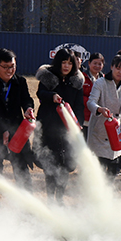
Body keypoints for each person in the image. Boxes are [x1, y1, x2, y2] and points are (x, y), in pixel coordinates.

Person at [0, 48, 36, 200]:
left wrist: (29, 108)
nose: (10, 70)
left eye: (13, 66)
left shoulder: (20, 82)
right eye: (6, 67)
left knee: (22, 169)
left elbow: (27, 99)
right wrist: (3, 130)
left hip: (17, 132)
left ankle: (28, 204)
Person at [35, 48, 84, 201]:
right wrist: (52, 96)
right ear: (58, 62)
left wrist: (78, 124)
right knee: (50, 163)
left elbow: (79, 106)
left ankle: (60, 198)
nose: (66, 66)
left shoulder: (76, 81)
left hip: (67, 129)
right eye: (64, 62)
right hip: (48, 126)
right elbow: (40, 93)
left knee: (65, 164)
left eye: (70, 63)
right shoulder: (48, 76)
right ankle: (50, 198)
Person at [87, 54, 121, 176]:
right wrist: (99, 109)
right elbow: (91, 102)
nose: (120, 72)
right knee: (97, 171)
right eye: (118, 68)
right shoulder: (100, 83)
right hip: (98, 130)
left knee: (112, 170)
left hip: (115, 132)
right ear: (112, 67)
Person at [82, 52, 104, 139]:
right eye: (95, 63)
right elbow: (79, 97)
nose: (97, 66)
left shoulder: (105, 79)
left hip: (99, 119)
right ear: (89, 63)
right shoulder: (82, 77)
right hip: (85, 118)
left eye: (100, 64)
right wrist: (92, 103)